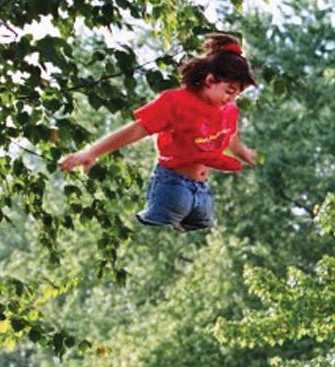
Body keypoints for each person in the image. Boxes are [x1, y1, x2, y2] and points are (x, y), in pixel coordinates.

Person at [59, 33, 257, 232]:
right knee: (158, 229)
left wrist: (244, 153)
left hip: (202, 189)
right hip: (173, 185)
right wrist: (92, 152)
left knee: (201, 229)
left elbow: (229, 136)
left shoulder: (228, 109)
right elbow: (138, 129)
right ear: (210, 79)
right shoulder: (177, 102)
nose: (231, 99)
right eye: (229, 91)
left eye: (237, 95)